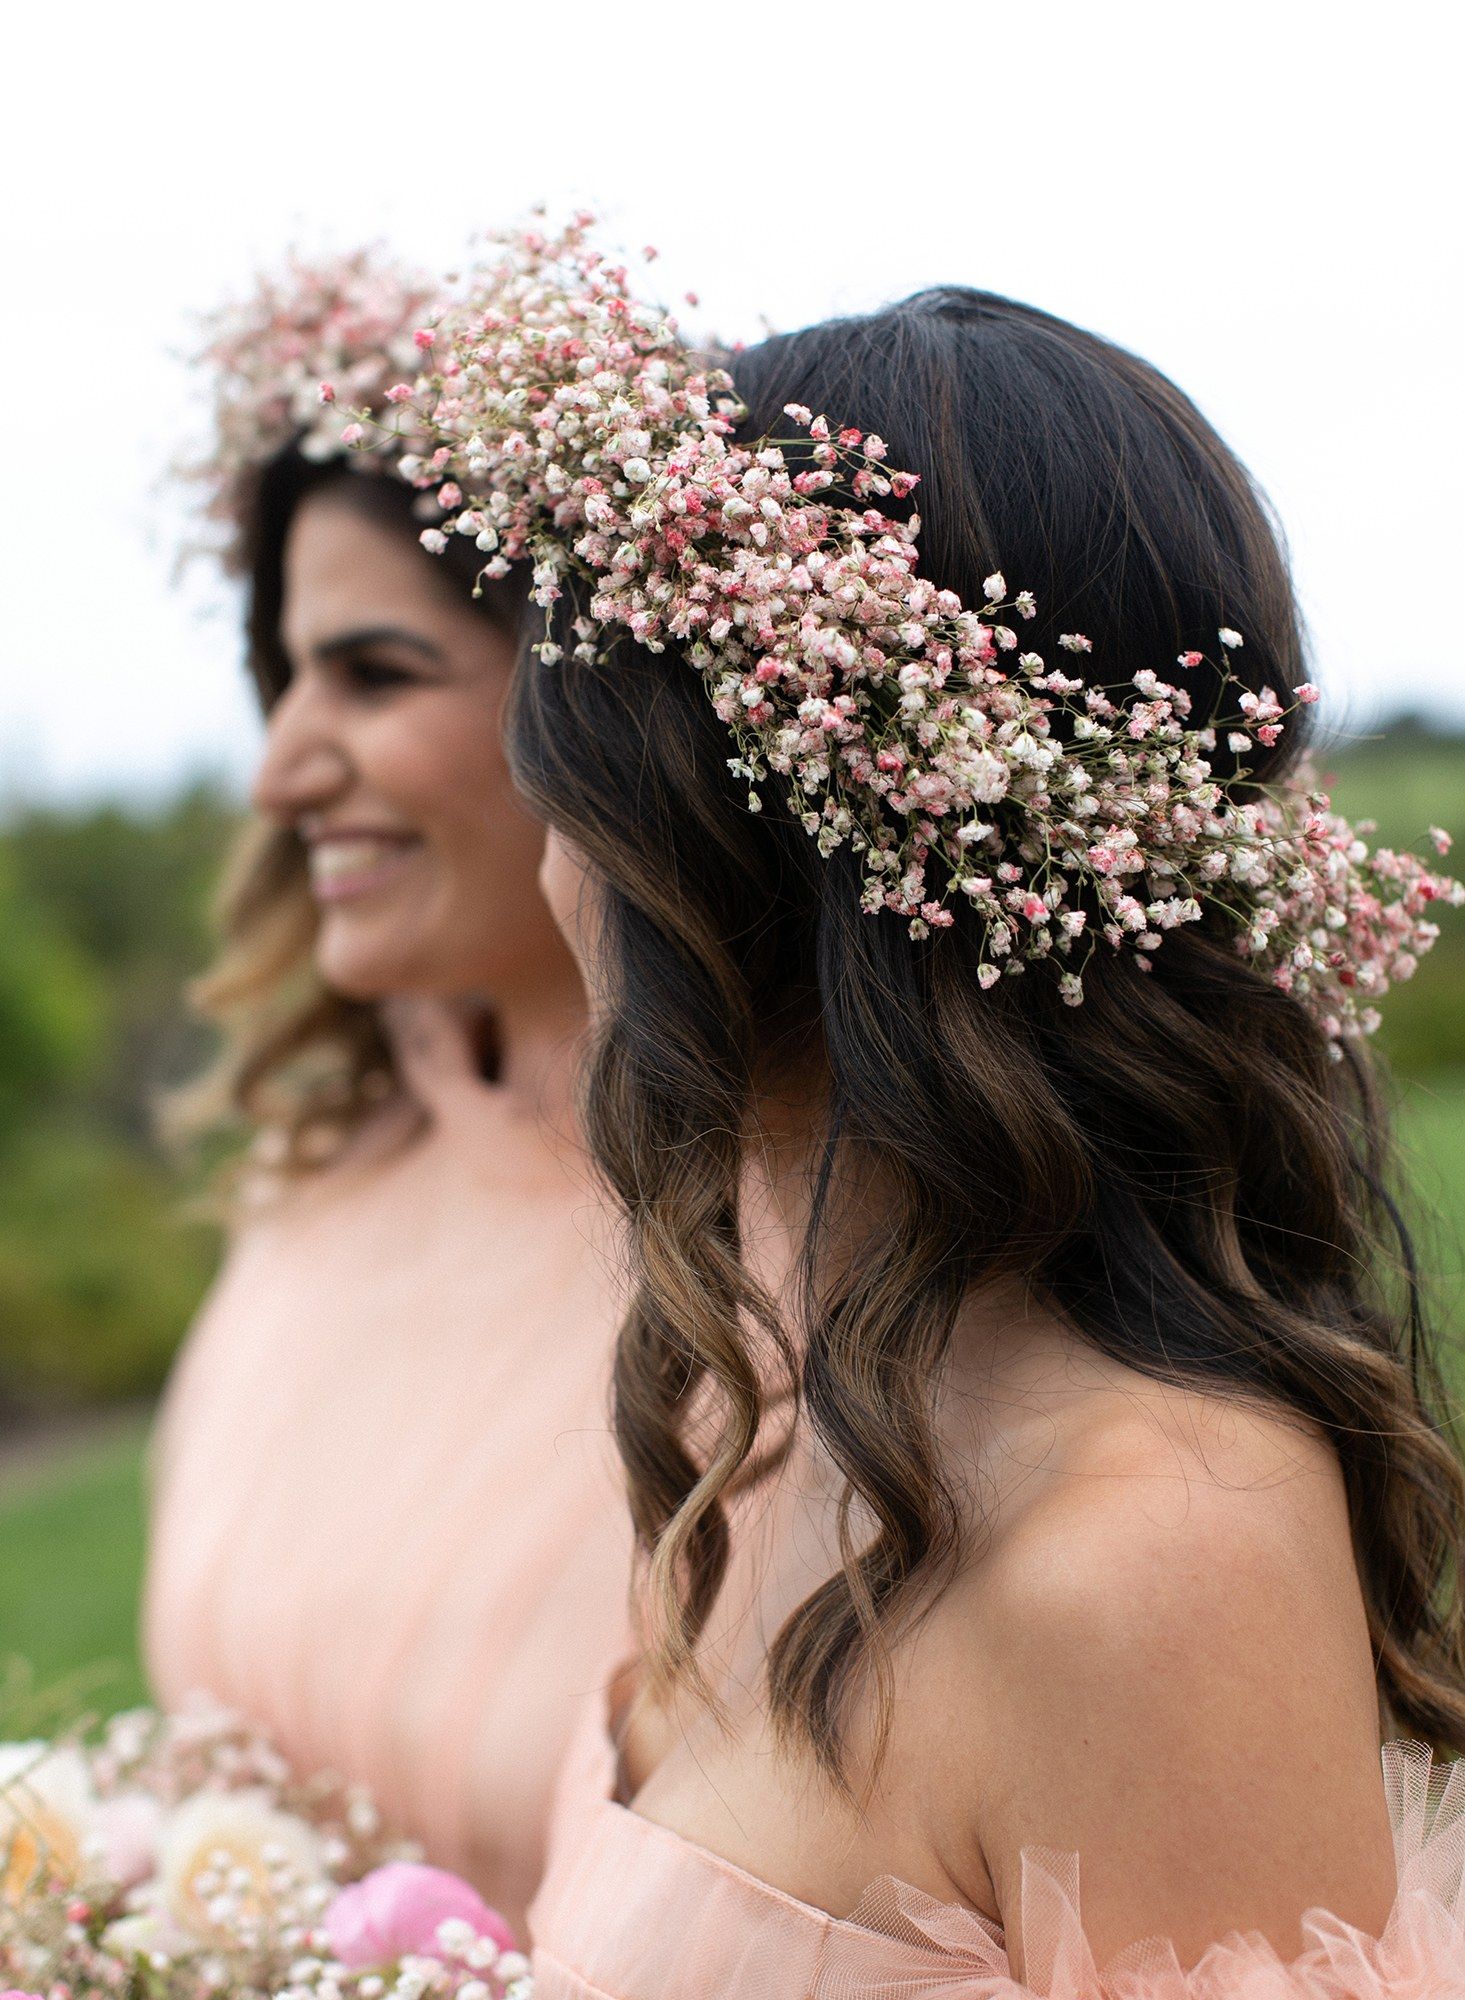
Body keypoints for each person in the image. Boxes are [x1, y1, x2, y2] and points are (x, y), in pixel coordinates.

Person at [391, 222, 1465, 1992]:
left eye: (570, 804)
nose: (558, 885)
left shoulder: (1153, 1561)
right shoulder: (771, 1430)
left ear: (723, 856)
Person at [142, 252, 629, 1940]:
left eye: (373, 673)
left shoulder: (796, 1259)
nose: (281, 769)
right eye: (284, 677)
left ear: (598, 715)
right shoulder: (317, 1177)